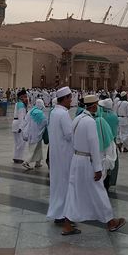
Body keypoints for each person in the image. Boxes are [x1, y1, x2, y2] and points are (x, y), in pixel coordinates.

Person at [61, 95, 126, 235]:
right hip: (86, 161)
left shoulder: (77, 119)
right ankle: (110, 222)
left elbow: (71, 141)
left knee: (74, 192)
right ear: (94, 106)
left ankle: (67, 225)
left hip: (76, 159)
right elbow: (94, 146)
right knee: (99, 191)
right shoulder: (90, 122)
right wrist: (97, 169)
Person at [47, 87, 74, 224]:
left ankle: (58, 213)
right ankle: (62, 214)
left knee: (58, 184)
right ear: (64, 99)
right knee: (64, 183)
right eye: (69, 98)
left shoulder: (54, 112)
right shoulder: (63, 114)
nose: (71, 101)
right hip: (64, 155)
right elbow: (69, 135)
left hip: (56, 154)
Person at [97, 98, 120, 191]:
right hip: (113, 140)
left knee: (103, 159)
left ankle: (104, 179)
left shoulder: (101, 116)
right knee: (114, 160)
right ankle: (112, 181)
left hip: (103, 139)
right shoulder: (114, 116)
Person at [23, 99, 47, 170]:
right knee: (32, 149)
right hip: (36, 133)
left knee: (38, 148)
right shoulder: (39, 113)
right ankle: (26, 162)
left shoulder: (30, 111)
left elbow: (26, 121)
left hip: (30, 133)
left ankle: (38, 162)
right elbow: (44, 122)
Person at [12, 89, 29, 163]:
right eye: (25, 97)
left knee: (17, 142)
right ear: (21, 97)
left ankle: (16, 156)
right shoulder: (21, 105)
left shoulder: (18, 103)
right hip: (19, 124)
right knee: (21, 142)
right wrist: (21, 127)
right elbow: (21, 117)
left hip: (15, 123)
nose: (26, 98)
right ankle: (19, 158)